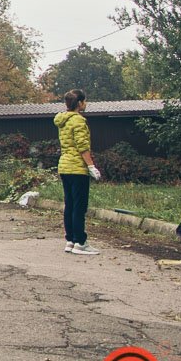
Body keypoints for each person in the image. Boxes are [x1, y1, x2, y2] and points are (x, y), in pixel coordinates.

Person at [54, 89, 102, 256]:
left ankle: (70, 240)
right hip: (77, 168)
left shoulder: (63, 121)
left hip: (64, 167)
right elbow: (82, 146)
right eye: (84, 101)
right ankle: (80, 242)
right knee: (79, 206)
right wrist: (91, 166)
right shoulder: (79, 121)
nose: (86, 104)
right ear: (80, 103)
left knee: (70, 205)